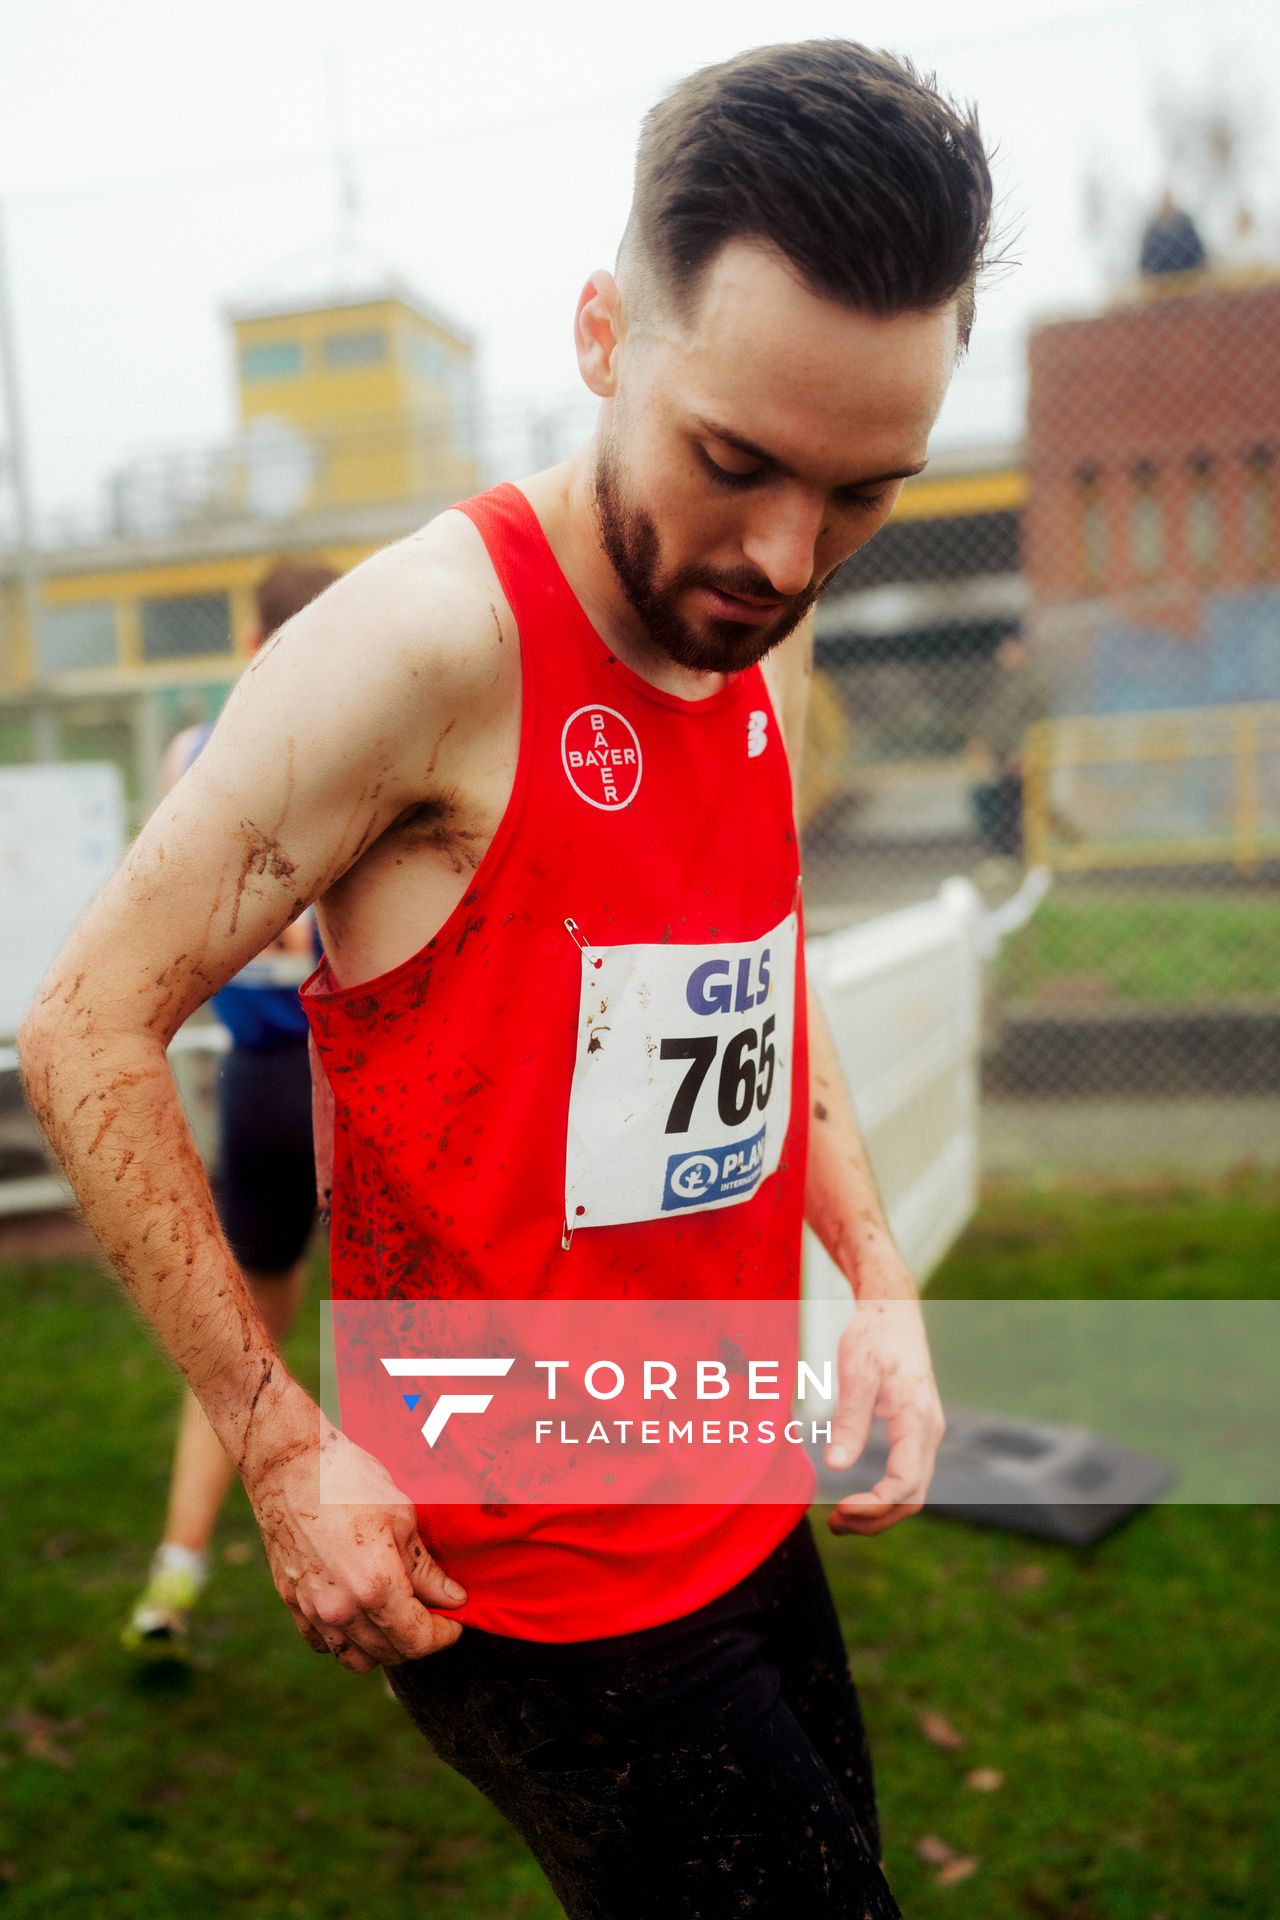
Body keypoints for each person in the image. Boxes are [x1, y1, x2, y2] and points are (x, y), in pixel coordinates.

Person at [19, 41, 992, 1918]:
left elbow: (757, 974)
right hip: (522, 1572)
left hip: (726, 1487)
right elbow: (82, 1025)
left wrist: (871, 1278)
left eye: (865, 493)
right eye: (737, 464)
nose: (787, 557)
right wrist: (278, 1446)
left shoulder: (753, 633)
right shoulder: (425, 642)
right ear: (607, 333)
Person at [121, 560, 338, 1660]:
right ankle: (438, 1598)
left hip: (260, 1086)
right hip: (350, 1080)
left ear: (255, 630)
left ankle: (174, 1573)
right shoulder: (366, 733)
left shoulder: (197, 752)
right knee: (416, 1338)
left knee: (243, 1347)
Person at [968, 633, 1053, 860]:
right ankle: (1003, 852)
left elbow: (1038, 718)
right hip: (1001, 753)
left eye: (1011, 651)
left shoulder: (1035, 680)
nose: (1005, 657)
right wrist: (981, 739)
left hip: (1025, 752)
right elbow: (989, 716)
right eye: (1002, 652)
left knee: (1015, 801)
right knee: (991, 797)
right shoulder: (1000, 681)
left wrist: (1023, 750)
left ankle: (1018, 852)